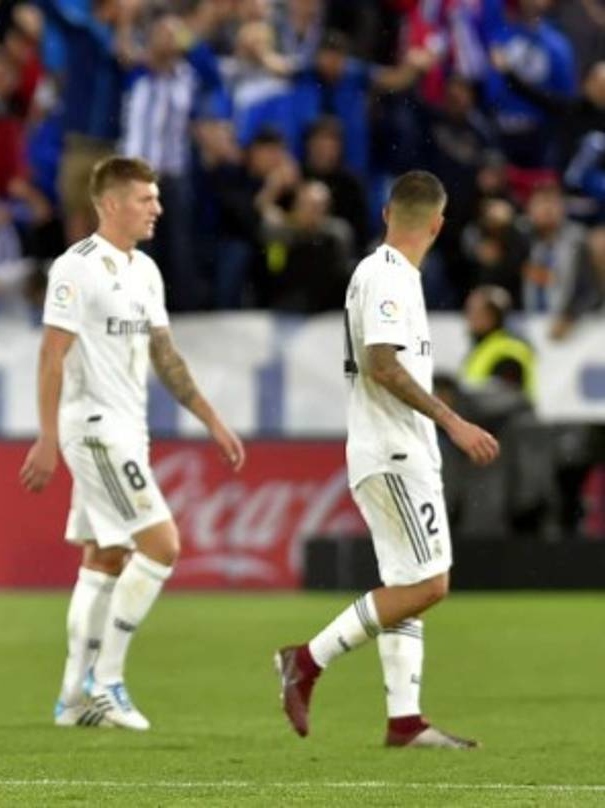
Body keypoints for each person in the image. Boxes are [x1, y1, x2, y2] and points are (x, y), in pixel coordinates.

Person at [274, 171, 501, 749]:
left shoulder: (386, 275)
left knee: (406, 580)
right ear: (439, 223)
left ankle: (405, 721)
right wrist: (452, 421)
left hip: (397, 448)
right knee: (430, 584)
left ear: (385, 214)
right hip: (394, 449)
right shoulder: (389, 278)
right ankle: (306, 659)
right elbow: (382, 364)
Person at [20, 156, 246, 731]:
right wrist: (47, 435)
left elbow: (165, 356)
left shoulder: (145, 271)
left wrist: (212, 419)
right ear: (112, 203)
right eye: (147, 199)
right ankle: (107, 679)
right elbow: (52, 354)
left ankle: (73, 697)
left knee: (106, 555)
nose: (157, 209)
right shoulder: (76, 268)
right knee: (163, 544)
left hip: (128, 427)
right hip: (92, 427)